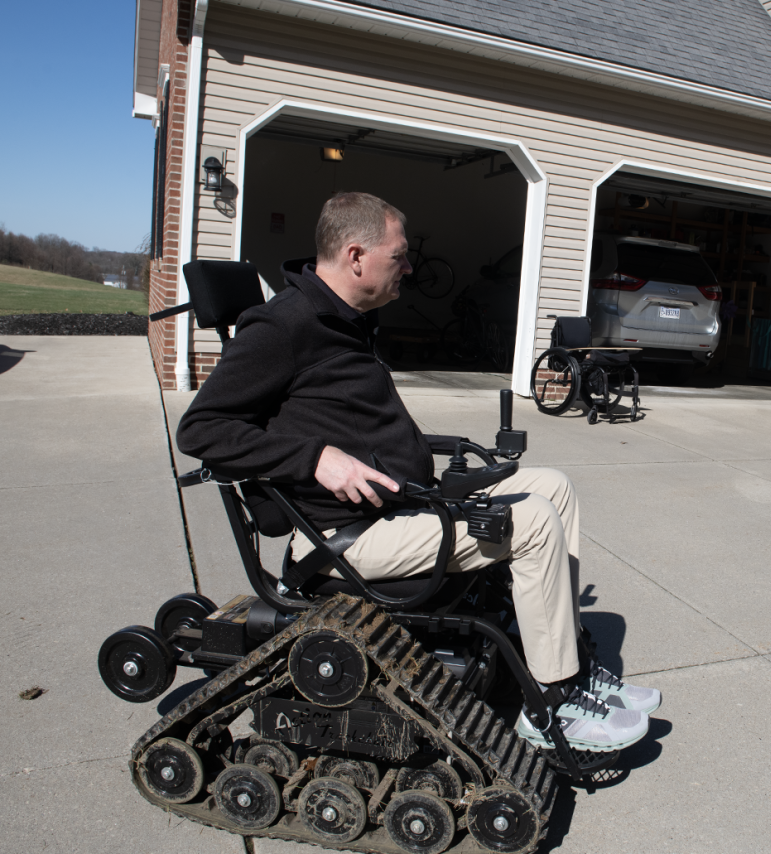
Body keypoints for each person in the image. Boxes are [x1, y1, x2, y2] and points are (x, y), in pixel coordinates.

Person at [178, 191, 660, 750]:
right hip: (345, 542)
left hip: (401, 504)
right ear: (356, 256)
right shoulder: (284, 326)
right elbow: (201, 429)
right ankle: (551, 706)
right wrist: (315, 457)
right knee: (529, 524)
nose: (410, 267)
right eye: (399, 255)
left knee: (552, 486)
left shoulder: (348, 319)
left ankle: (564, 661)